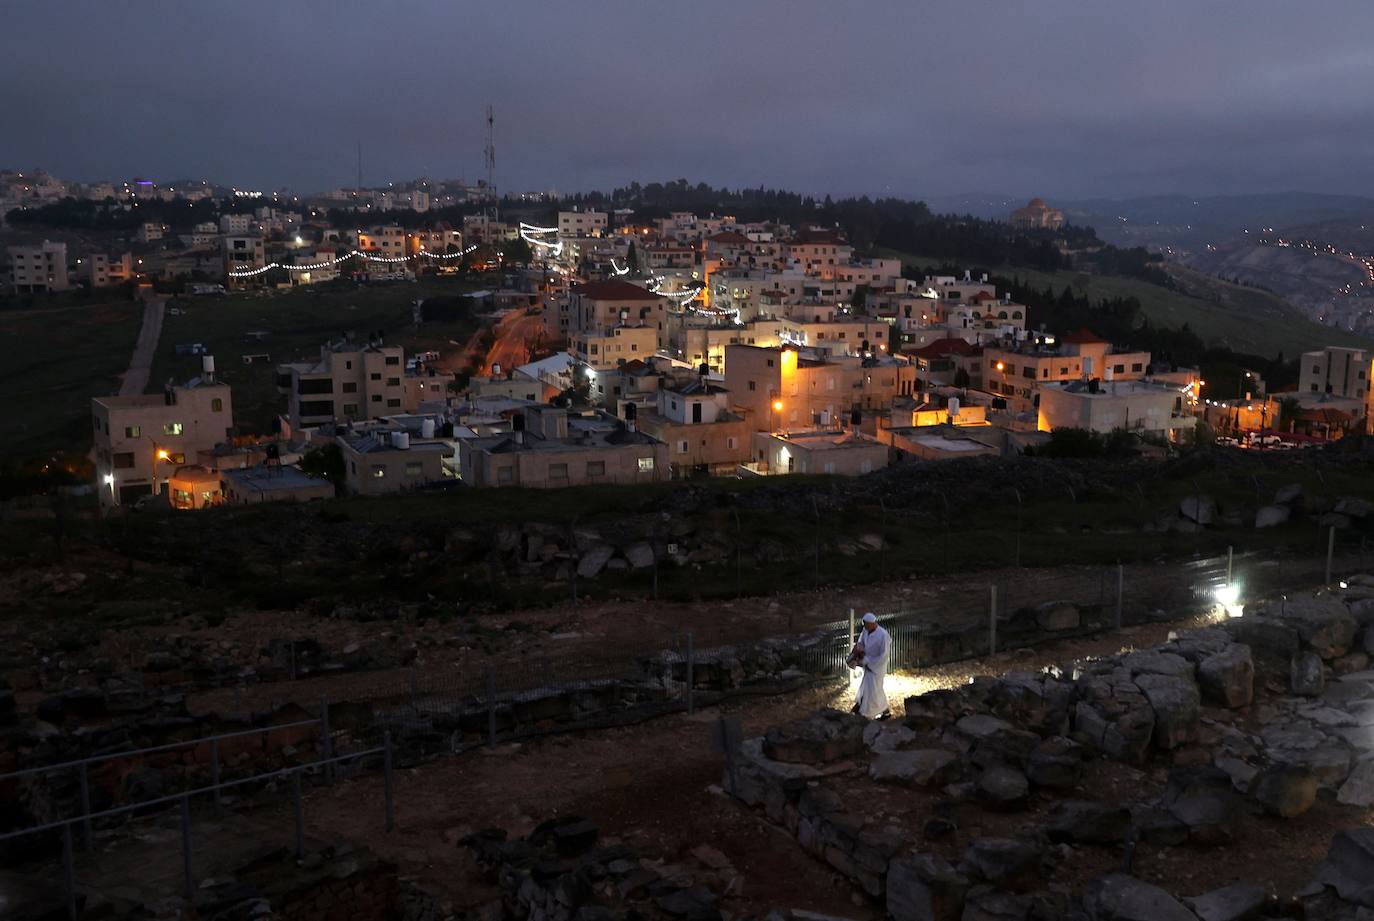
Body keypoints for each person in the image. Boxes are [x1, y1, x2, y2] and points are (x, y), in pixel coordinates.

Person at [852, 612, 890, 719]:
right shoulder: (865, 631)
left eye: (866, 625)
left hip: (877, 667)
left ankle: (867, 711)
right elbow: (861, 641)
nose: (865, 627)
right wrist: (859, 650)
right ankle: (883, 709)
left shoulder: (883, 635)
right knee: (871, 689)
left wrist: (870, 662)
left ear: (871, 623)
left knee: (874, 689)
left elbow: (884, 655)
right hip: (867, 663)